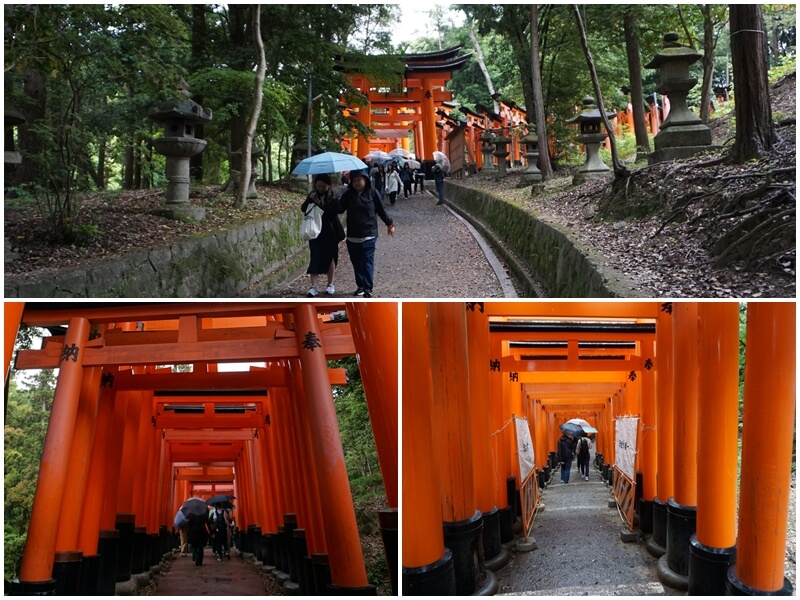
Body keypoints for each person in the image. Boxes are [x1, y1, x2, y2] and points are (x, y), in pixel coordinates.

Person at [336, 168, 395, 297]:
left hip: (369, 233)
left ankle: (368, 287)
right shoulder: (348, 195)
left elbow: (381, 210)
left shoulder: (372, 193)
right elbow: (339, 209)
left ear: (365, 180)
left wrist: (389, 224)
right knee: (356, 262)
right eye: (354, 181)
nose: (356, 183)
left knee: (367, 261)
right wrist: (334, 198)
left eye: (359, 180)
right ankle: (360, 285)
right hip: (353, 235)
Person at [301, 173, 345, 297]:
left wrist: (323, 204)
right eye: (318, 186)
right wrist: (311, 200)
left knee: (331, 257)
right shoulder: (312, 195)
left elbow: (338, 210)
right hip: (315, 231)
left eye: (323, 186)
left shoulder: (333, 195)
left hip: (330, 231)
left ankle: (330, 284)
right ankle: (313, 286)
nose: (321, 188)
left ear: (328, 185)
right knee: (315, 256)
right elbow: (303, 209)